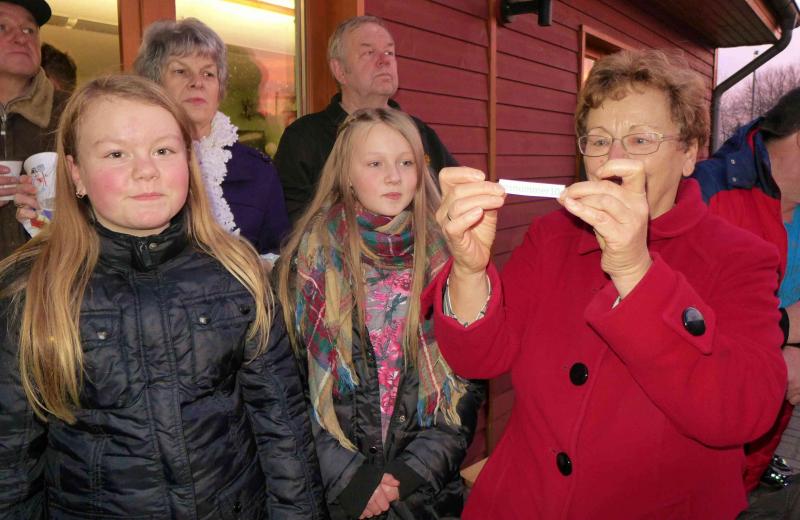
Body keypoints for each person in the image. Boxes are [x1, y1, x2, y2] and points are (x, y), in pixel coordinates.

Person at [429, 49, 786, 518]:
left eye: (640, 139)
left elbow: (745, 412)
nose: (614, 160)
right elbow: (479, 356)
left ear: (688, 153)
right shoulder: (551, 236)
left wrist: (636, 271)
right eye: (598, 141)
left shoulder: (740, 256)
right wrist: (469, 269)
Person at [0, 75, 326, 518]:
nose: (146, 170)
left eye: (163, 150)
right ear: (76, 172)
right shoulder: (31, 290)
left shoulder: (237, 272)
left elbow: (284, 432)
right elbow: (12, 464)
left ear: (188, 161)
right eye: (116, 154)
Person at [277, 108, 483, 519]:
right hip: (336, 490)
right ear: (346, 174)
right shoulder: (308, 263)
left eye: (406, 163)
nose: (394, 176)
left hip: (423, 492)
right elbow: (285, 388)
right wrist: (350, 477)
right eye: (375, 164)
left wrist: (410, 472)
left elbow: (468, 380)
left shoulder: (450, 259)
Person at [693, 87, 800, 491]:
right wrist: (782, 334)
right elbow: (670, 323)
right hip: (699, 441)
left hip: (765, 434)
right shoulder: (704, 192)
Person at [274, 15, 457, 224]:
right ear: (340, 70)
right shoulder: (304, 137)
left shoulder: (420, 133)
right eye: (369, 53)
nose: (384, 60)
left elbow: (453, 199)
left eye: (389, 52)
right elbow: (293, 221)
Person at [0, 0, 68, 260]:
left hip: (56, 277)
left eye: (29, 30)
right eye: (2, 27)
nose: (21, 38)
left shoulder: (75, 113)